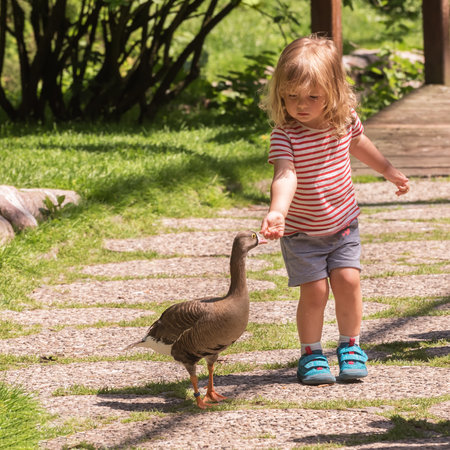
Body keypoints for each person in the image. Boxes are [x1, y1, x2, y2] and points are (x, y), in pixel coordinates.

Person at [259, 35, 410, 385]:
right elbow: (286, 174)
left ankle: (350, 346)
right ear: (280, 91)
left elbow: (360, 144)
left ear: (334, 91)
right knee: (315, 291)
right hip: (301, 234)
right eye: (292, 95)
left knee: (348, 281)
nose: (301, 104)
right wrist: (277, 211)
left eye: (313, 96)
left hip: (343, 225)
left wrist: (387, 169)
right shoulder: (285, 135)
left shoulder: (343, 121)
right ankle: (311, 353)